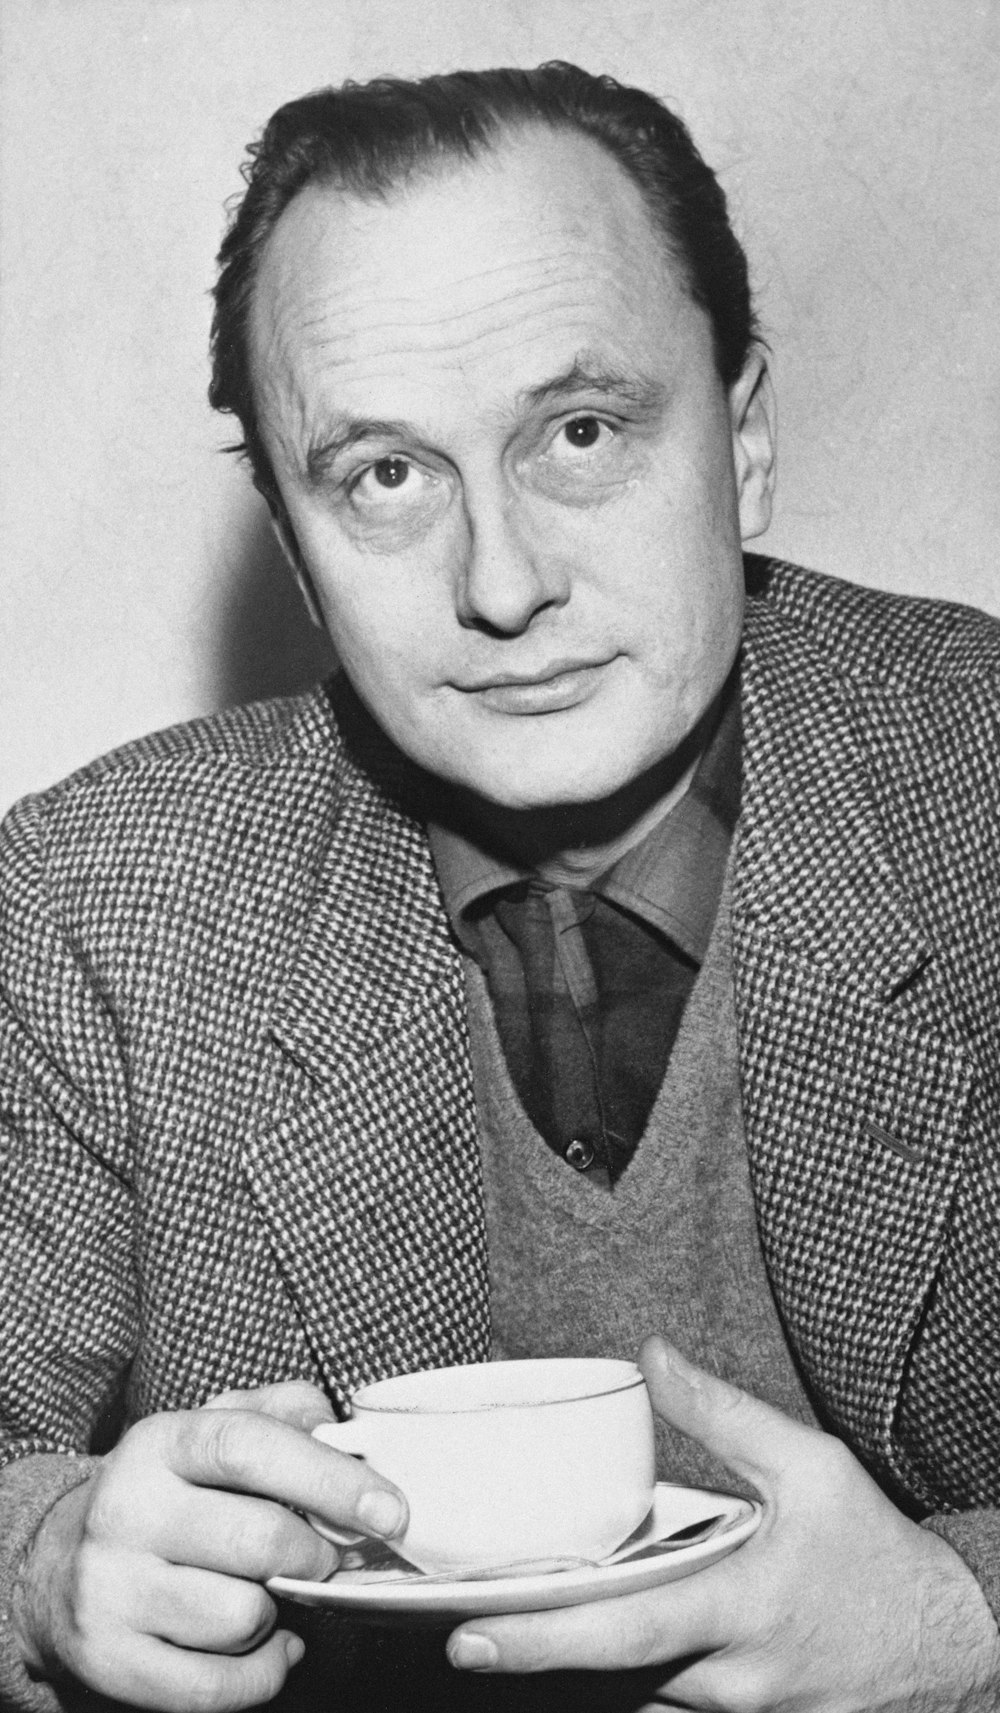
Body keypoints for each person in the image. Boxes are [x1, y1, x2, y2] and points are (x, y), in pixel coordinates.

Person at [0, 61, 998, 1713]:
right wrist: (43, 1563)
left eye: (583, 431)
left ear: (742, 445)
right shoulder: (99, 902)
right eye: (385, 475)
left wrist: (963, 1624)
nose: (503, 581)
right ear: (296, 547)